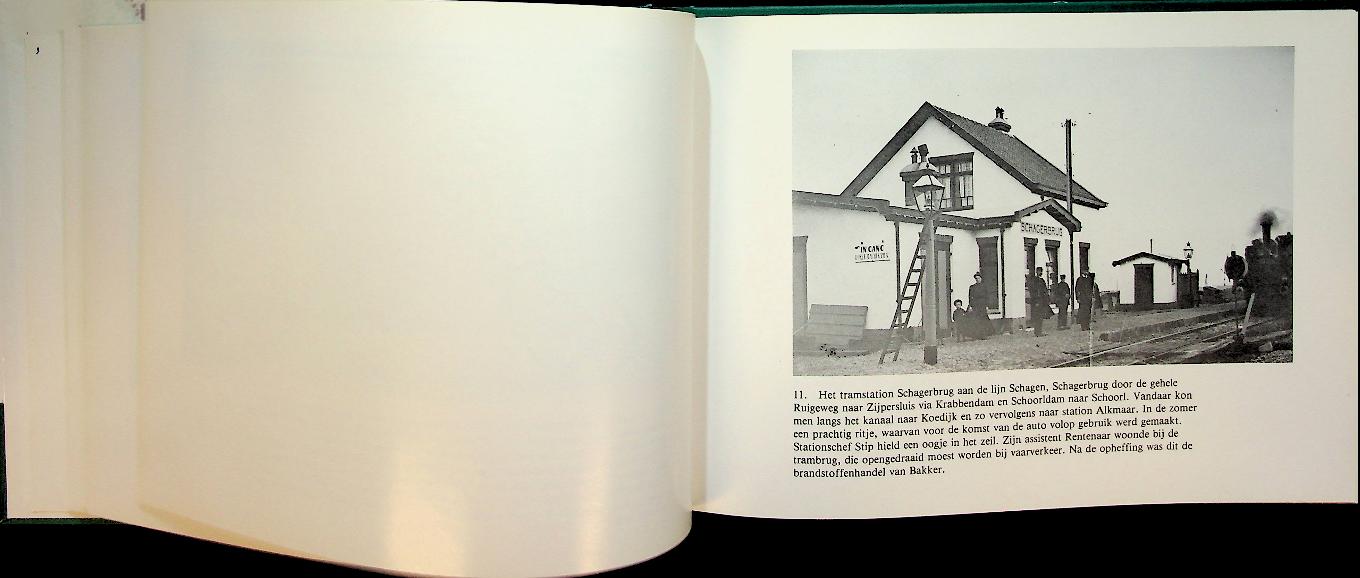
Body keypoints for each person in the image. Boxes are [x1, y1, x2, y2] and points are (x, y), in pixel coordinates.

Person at [966, 272, 993, 339]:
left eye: (979, 278)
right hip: (975, 305)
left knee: (983, 320)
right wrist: (970, 306)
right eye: (976, 278)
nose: (978, 280)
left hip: (982, 305)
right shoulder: (972, 287)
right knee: (976, 320)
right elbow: (970, 297)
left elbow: (987, 296)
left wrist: (987, 306)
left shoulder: (985, 287)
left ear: (981, 278)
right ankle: (976, 335)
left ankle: (984, 335)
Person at [1026, 267, 1051, 336]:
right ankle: (1037, 332)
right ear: (1036, 272)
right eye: (1039, 271)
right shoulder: (1034, 280)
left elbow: (1045, 290)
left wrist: (1047, 299)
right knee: (1037, 316)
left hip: (1042, 301)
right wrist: (1036, 301)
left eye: (1041, 271)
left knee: (1040, 316)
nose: (1040, 273)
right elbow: (1033, 291)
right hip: (1037, 301)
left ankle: (1039, 331)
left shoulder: (1042, 280)